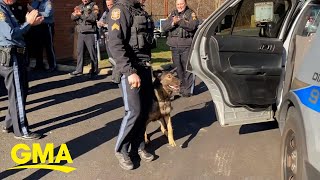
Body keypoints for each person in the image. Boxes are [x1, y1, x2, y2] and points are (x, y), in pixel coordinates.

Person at [108, 0, 155, 170]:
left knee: (145, 110)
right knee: (133, 111)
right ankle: (121, 149)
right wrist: (129, 72)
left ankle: (138, 147)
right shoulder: (119, 10)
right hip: (130, 70)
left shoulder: (138, 10)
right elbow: (114, 44)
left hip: (144, 66)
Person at [0, 0, 43, 140]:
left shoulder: (7, 7)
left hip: (17, 54)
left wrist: (30, 23)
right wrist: (28, 23)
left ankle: (9, 124)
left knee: (20, 90)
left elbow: (16, 29)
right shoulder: (1, 9)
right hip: (11, 55)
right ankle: (22, 131)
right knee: (18, 93)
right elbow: (11, 34)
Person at [162, 0, 199, 97]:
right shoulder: (172, 13)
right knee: (178, 69)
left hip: (186, 45)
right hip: (174, 46)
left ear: (185, 3)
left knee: (187, 68)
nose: (180, 6)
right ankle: (181, 88)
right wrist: (173, 23)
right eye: (178, 4)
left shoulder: (191, 13)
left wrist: (180, 21)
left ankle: (188, 90)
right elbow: (164, 26)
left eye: (182, 4)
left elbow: (192, 26)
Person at [70, 0, 99, 78]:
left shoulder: (94, 6)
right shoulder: (79, 6)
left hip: (90, 32)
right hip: (81, 32)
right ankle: (79, 70)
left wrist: (81, 15)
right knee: (80, 52)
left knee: (92, 53)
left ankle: (94, 70)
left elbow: (93, 18)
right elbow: (72, 17)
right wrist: (76, 13)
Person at [29, 0, 56, 72]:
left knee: (49, 46)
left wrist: (35, 12)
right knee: (38, 46)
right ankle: (39, 65)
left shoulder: (48, 2)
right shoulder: (34, 2)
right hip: (37, 26)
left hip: (47, 26)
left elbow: (47, 14)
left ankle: (52, 65)